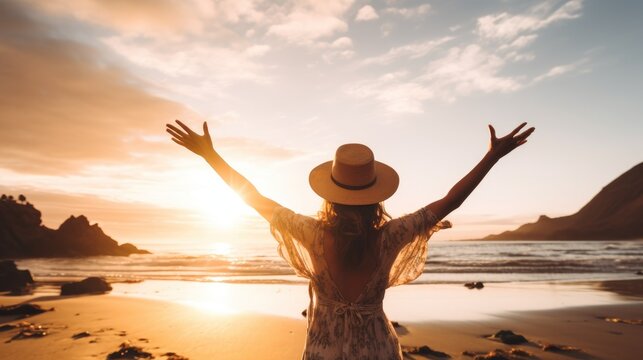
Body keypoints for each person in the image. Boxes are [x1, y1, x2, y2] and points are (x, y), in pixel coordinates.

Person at [166, 120, 535, 359]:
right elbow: (448, 202)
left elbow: (253, 196)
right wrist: (491, 157)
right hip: (378, 351)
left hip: (322, 353)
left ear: (329, 194)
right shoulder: (392, 236)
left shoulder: (311, 232)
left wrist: (210, 156)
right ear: (376, 196)